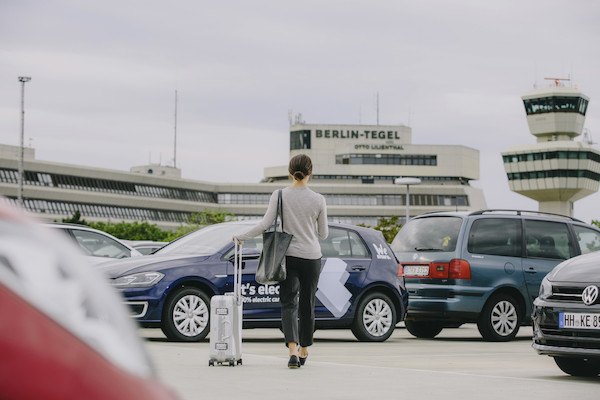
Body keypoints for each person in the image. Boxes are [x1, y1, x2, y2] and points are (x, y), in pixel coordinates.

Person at [233, 154, 328, 369]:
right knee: (307, 304)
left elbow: (265, 224)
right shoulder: (318, 199)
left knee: (288, 303)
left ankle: (293, 352)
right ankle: (305, 349)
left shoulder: (279, 195)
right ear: (310, 172)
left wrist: (241, 237)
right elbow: (323, 234)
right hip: (312, 257)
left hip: (289, 256)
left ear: (289, 172)